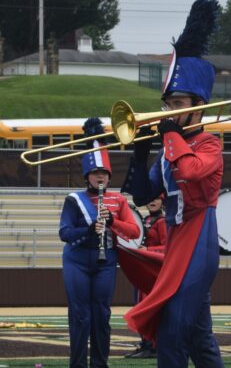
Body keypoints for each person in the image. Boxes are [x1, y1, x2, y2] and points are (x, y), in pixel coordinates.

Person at [121, 0, 225, 367]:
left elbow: (192, 172)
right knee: (199, 338)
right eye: (168, 104)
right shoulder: (171, 144)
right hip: (178, 239)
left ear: (197, 104)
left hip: (200, 235)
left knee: (172, 329)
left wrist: (170, 138)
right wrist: (139, 154)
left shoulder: (210, 142)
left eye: (177, 103)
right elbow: (144, 195)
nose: (169, 111)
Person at [59, 118, 140, 368]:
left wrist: (112, 221)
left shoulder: (118, 201)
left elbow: (134, 231)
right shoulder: (74, 200)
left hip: (106, 262)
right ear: (88, 176)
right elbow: (65, 233)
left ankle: (100, 364)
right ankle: (78, 364)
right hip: (77, 260)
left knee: (102, 315)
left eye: (104, 172)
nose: (100, 176)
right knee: (80, 315)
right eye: (96, 173)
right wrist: (89, 229)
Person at [124, 195, 167, 359]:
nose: (152, 200)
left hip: (153, 271)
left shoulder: (162, 222)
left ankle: (152, 346)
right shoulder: (146, 219)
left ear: (163, 202)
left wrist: (147, 251)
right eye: (151, 198)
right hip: (144, 267)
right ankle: (146, 344)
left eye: (157, 198)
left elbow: (167, 247)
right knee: (140, 305)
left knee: (146, 308)